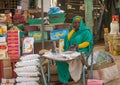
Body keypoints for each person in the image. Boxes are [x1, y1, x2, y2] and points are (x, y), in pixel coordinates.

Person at [56, 16, 93, 84]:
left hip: (82, 51)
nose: (76, 24)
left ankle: (73, 78)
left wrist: (78, 46)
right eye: (74, 22)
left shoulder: (86, 32)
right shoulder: (72, 32)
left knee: (74, 60)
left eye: (78, 22)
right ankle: (64, 79)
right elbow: (67, 39)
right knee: (60, 61)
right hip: (70, 52)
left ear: (81, 23)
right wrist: (73, 30)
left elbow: (88, 42)